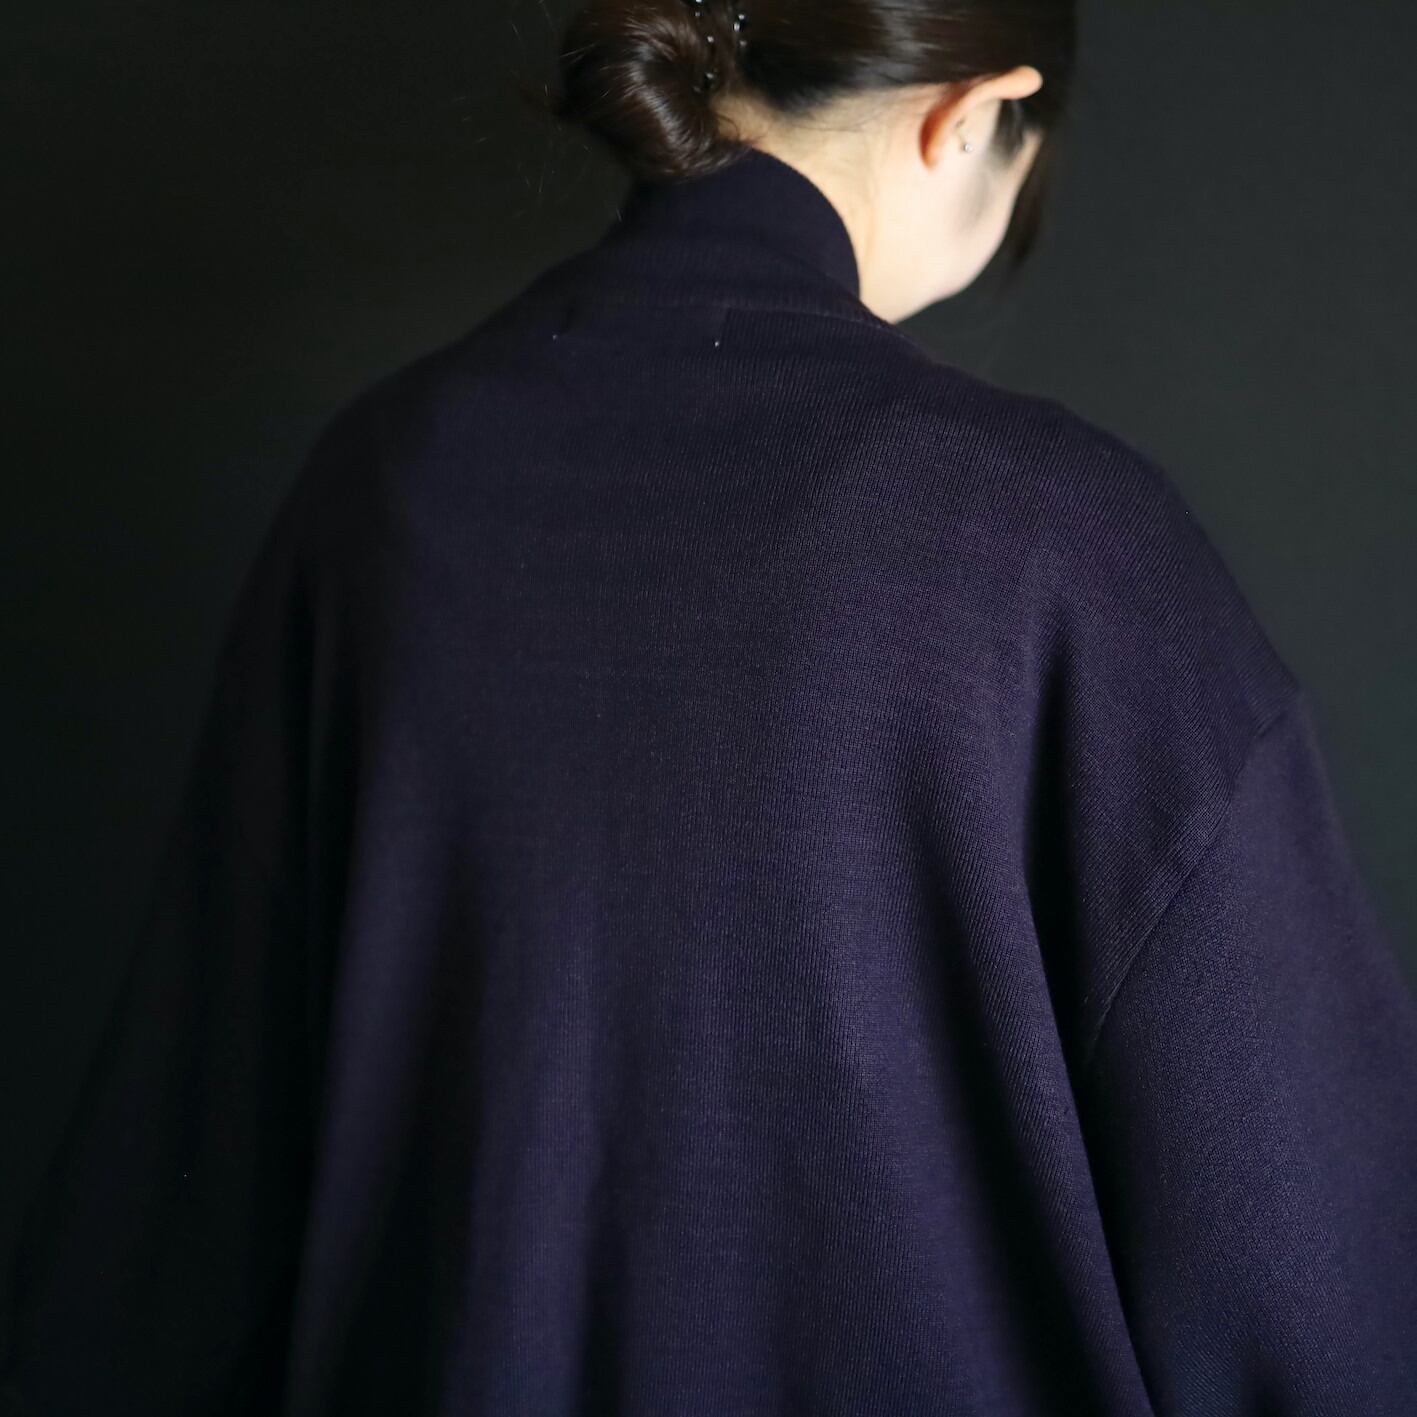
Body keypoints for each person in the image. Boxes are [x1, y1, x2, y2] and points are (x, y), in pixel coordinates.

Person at [3, 0, 1414, 1412]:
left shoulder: (382, 489)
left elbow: (173, 1206)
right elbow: (1311, 1253)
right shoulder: (1066, 539)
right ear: (971, 113)